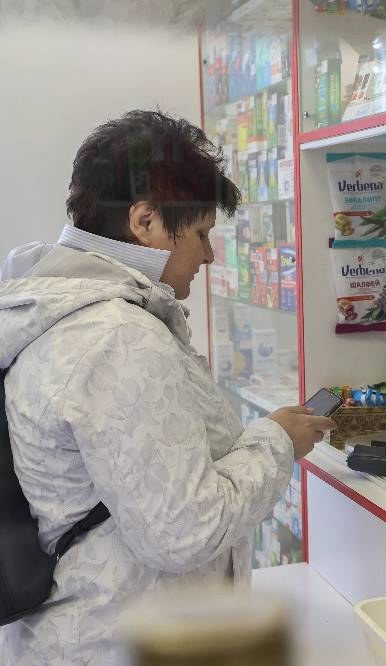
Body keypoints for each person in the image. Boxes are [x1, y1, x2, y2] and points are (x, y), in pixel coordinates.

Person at [0, 110, 335, 665]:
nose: (209, 255)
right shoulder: (116, 339)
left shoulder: (65, 310)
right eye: (201, 234)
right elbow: (185, 532)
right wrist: (276, 441)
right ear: (146, 221)